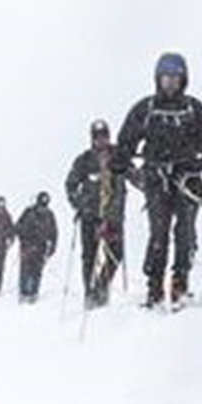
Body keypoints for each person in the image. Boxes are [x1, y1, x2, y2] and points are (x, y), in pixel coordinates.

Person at [115, 52, 202, 308]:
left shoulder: (193, 108)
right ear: (158, 79)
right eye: (166, 79)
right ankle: (154, 286)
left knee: (185, 230)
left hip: (188, 178)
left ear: (183, 80)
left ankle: (180, 281)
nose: (171, 84)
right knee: (158, 233)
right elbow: (126, 142)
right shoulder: (146, 108)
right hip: (157, 179)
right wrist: (126, 166)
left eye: (176, 79)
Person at [66, 119, 128, 307]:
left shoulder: (119, 155)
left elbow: (132, 174)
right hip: (89, 216)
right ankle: (90, 294)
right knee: (89, 257)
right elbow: (70, 185)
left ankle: (102, 286)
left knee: (116, 253)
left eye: (104, 136)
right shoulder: (84, 160)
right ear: (92, 139)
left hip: (114, 215)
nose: (101, 140)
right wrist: (80, 204)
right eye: (97, 137)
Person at [14, 192, 59, 303]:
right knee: (25, 269)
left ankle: (34, 293)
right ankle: (23, 292)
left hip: (41, 247)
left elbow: (54, 232)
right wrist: (23, 236)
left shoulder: (50, 215)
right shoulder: (28, 211)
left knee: (37, 271)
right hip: (27, 246)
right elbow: (17, 226)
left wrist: (52, 246)